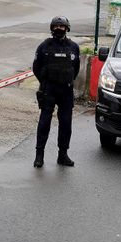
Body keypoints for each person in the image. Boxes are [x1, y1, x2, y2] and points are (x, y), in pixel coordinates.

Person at [32, 16, 80, 168]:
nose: (59, 29)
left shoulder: (73, 47)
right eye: (56, 26)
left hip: (66, 90)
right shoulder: (44, 46)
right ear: (51, 28)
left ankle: (63, 155)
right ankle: (39, 155)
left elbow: (76, 69)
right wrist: (45, 82)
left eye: (62, 26)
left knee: (66, 123)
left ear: (67, 28)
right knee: (44, 122)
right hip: (49, 90)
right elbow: (36, 68)